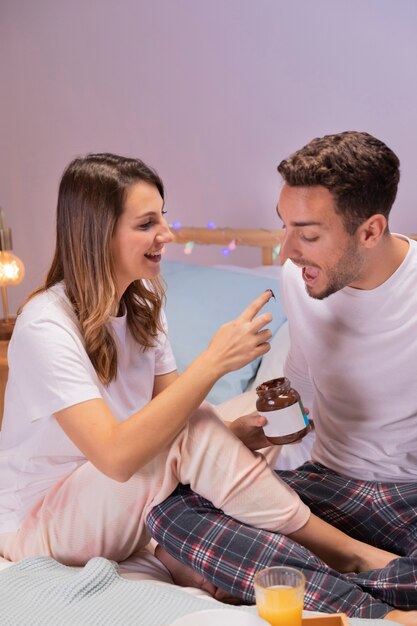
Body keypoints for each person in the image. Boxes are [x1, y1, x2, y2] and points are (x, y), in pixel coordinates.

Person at [0, 152, 402, 617]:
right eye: (147, 223)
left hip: (123, 503)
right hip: (41, 523)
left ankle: (351, 593)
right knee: (197, 426)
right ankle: (349, 552)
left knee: (216, 423)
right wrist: (212, 363)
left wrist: (232, 435)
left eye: (163, 218)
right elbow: (115, 457)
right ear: (98, 232)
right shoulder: (45, 324)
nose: (166, 235)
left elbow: (175, 416)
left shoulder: (145, 300)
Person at [147, 132, 417, 624]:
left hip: (408, 498)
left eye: (308, 234)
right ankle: (377, 605)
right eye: (284, 226)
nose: (286, 251)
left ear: (371, 231)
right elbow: (300, 390)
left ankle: (299, 583)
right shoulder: (301, 281)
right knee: (170, 511)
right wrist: (252, 432)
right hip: (330, 488)